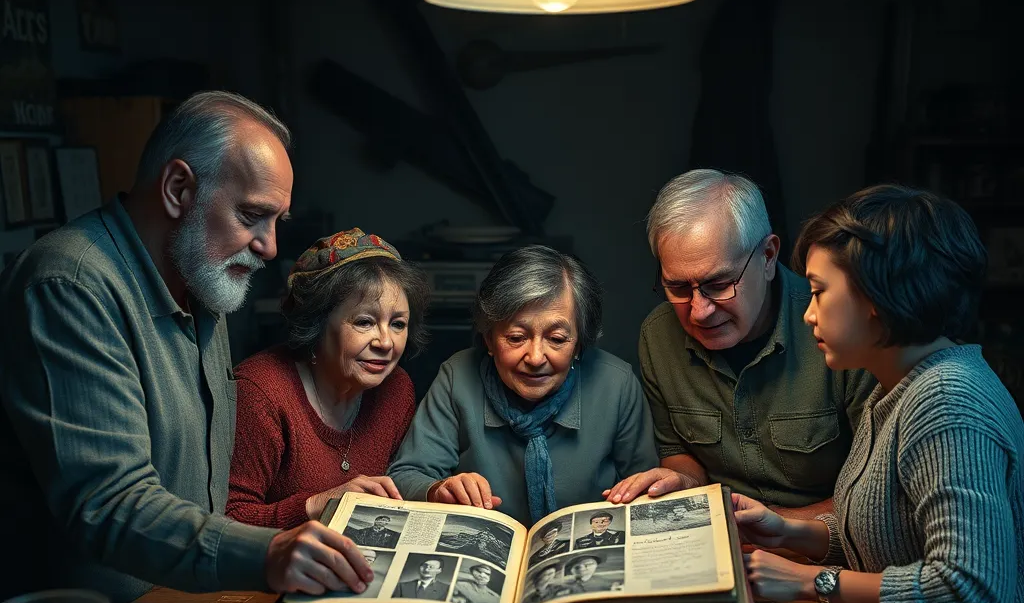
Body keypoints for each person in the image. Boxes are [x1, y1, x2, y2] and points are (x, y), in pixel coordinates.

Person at [0, 90, 374, 603]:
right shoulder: (71, 284)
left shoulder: (201, 279)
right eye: (251, 216)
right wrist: (267, 554)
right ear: (178, 189)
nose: (269, 247)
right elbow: (110, 504)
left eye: (275, 223)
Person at [730, 184, 1024, 603]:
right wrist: (794, 533)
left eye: (819, 293)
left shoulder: (948, 402)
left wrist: (806, 582)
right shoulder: (895, 388)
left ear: (875, 297)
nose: (808, 315)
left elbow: (970, 593)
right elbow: (894, 532)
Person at [605, 170, 876, 517]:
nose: (699, 311)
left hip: (828, 545)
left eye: (718, 284)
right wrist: (682, 481)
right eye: (678, 289)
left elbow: (876, 496)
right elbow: (677, 449)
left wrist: (771, 528)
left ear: (767, 256)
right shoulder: (658, 336)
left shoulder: (840, 328)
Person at [389, 245, 658, 525]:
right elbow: (407, 474)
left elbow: (646, 486)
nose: (535, 358)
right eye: (516, 337)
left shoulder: (616, 384)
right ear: (490, 340)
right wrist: (438, 489)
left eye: (556, 339)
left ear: (579, 343)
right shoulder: (458, 376)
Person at [227, 229, 429, 529]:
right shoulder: (260, 393)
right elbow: (225, 524)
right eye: (365, 322)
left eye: (398, 324)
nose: (387, 342)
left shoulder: (396, 389)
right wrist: (317, 505)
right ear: (317, 323)